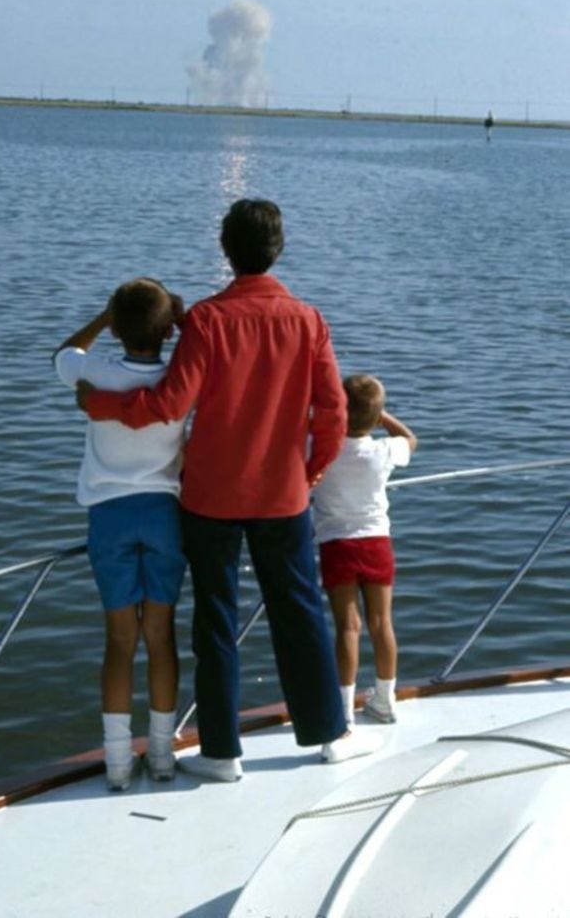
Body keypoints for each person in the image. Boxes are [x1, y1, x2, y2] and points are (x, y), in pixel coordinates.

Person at [78, 199, 381, 779]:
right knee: (300, 614)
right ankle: (328, 735)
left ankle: (220, 751)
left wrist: (99, 402)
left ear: (226, 249)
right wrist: (311, 471)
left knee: (215, 619)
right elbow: (334, 414)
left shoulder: (207, 323)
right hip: (283, 496)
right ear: (278, 249)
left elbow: (169, 404)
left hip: (210, 497)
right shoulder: (309, 320)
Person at [53, 278, 187, 790]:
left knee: (119, 641)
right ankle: (161, 756)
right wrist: (178, 320)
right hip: (164, 515)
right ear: (166, 329)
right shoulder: (180, 376)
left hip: (109, 516)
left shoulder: (95, 371)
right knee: (161, 637)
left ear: (117, 325)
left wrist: (101, 319)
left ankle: (115, 764)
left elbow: (63, 353)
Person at [312, 374, 417, 727]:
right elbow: (409, 440)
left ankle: (343, 710)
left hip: (336, 543)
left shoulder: (323, 448)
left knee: (348, 627)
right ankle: (385, 700)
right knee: (381, 622)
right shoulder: (383, 450)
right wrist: (381, 416)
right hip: (376, 542)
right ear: (375, 417)